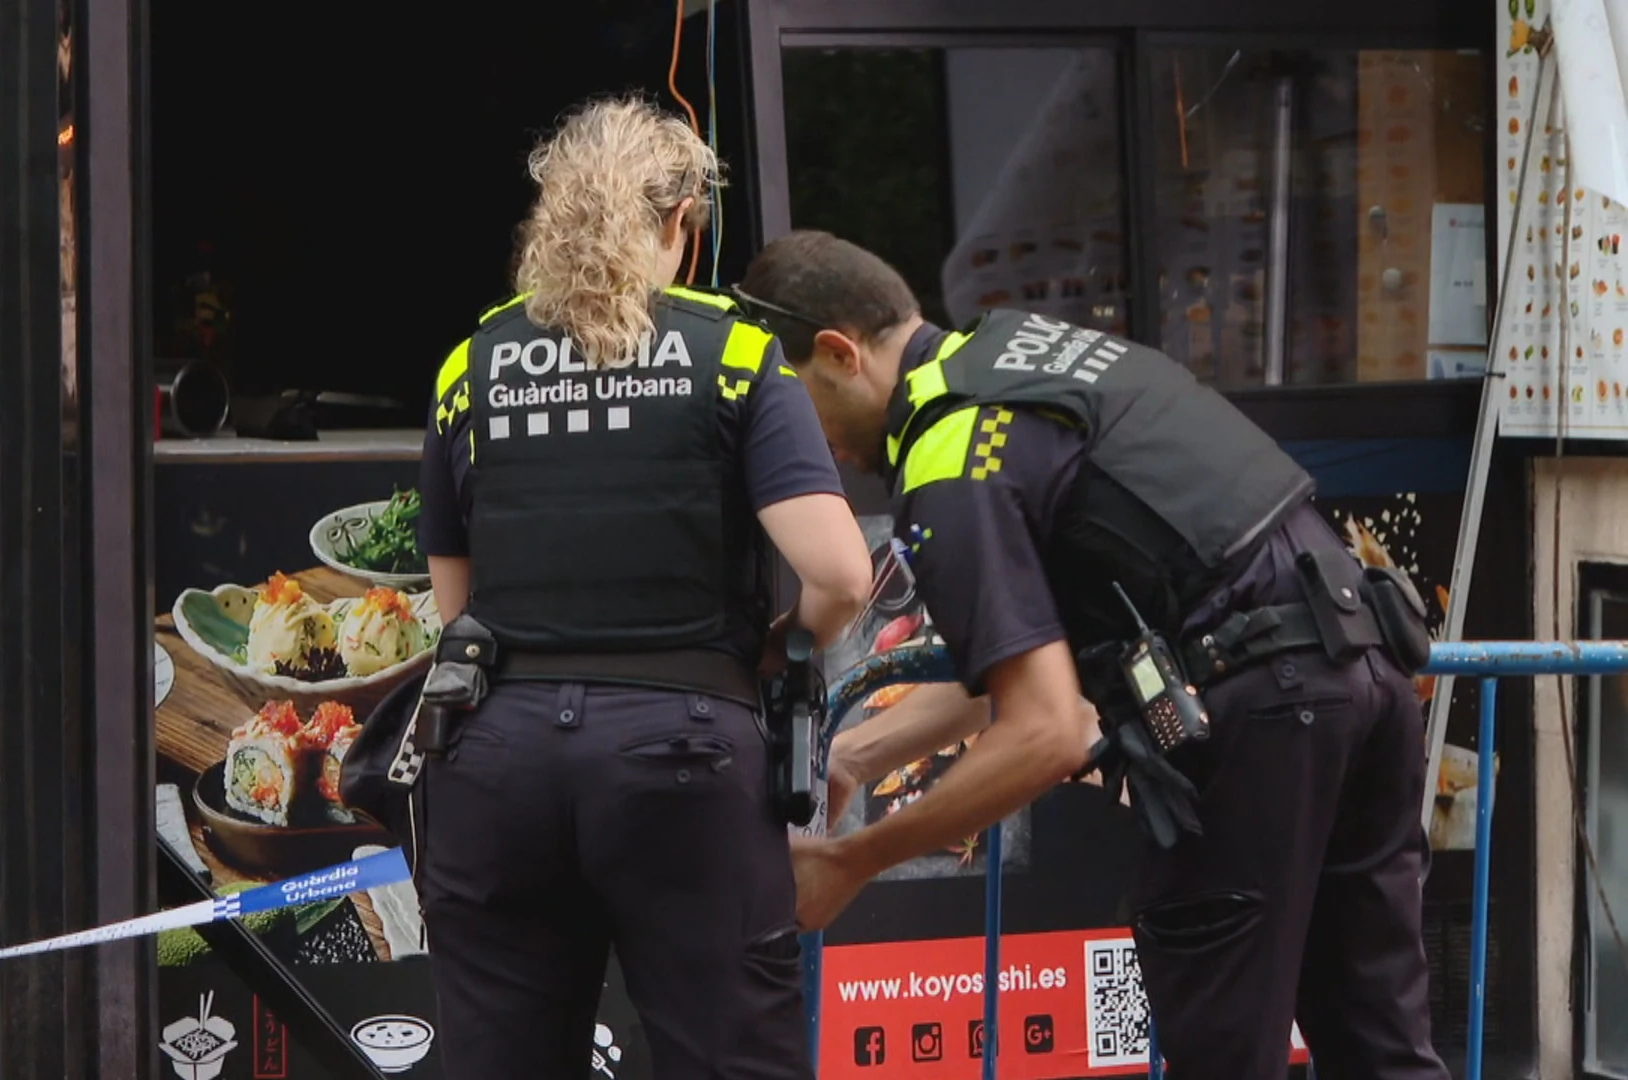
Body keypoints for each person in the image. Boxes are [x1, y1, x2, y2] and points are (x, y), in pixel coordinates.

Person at [734, 229, 1449, 1080]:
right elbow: (1031, 661)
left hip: (1260, 707)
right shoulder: (1026, 357)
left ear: (838, 352)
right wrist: (862, 750)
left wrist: (851, 860)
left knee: (1225, 1053)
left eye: (794, 406)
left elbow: (1048, 731)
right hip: (1364, 670)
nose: (807, 444)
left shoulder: (948, 448)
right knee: (1382, 1045)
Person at [413, 101, 873, 1079]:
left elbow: (458, 610)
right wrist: (785, 646)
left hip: (499, 757)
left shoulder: (473, 364)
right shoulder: (738, 356)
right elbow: (839, 573)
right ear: (679, 225)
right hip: (685, 754)